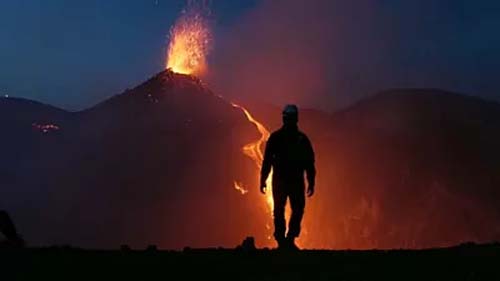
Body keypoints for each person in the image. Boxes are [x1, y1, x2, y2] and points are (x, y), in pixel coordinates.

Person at [260, 104, 316, 250]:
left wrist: (263, 179)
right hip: (290, 181)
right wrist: (311, 181)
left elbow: (309, 162)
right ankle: (286, 240)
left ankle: (285, 239)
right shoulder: (300, 139)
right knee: (289, 209)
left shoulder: (279, 138)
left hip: (285, 181)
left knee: (286, 209)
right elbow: (309, 162)